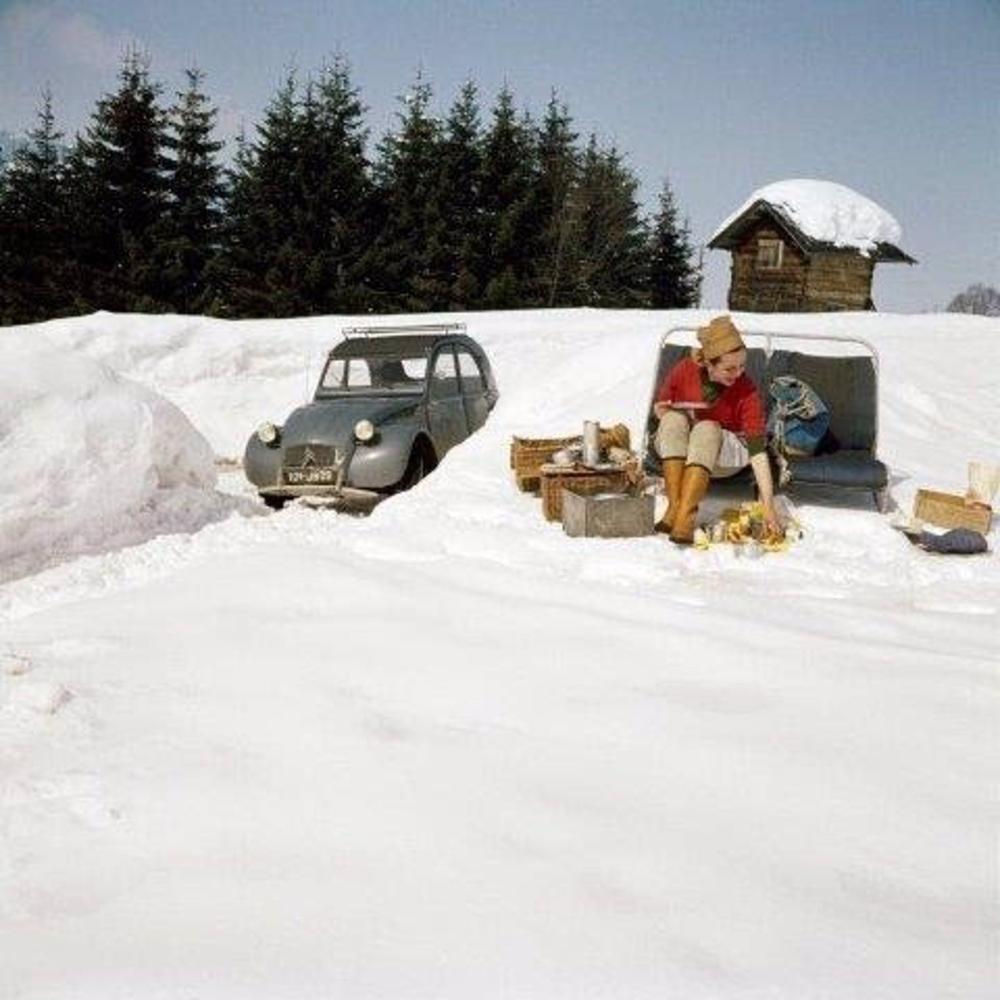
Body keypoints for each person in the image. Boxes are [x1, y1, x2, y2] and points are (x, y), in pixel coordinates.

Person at [652, 315, 781, 544]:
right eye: (729, 368)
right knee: (672, 419)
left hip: (725, 459)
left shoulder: (746, 390)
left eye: (742, 365)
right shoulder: (684, 371)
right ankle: (675, 509)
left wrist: (768, 505)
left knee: (706, 427)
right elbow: (660, 408)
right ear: (708, 363)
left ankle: (686, 516)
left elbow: (757, 451)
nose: (738, 373)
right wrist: (682, 422)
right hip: (685, 452)